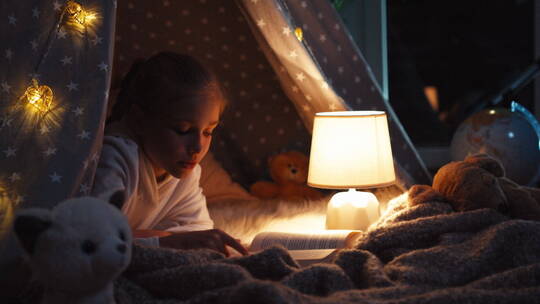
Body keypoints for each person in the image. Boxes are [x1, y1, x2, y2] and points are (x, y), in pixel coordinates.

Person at [92, 52, 247, 256]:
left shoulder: (185, 173)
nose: (198, 148)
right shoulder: (115, 158)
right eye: (183, 130)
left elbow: (197, 231)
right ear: (139, 121)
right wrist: (167, 239)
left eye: (208, 132)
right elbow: (94, 240)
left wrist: (158, 237)